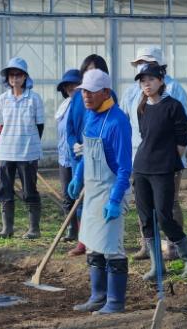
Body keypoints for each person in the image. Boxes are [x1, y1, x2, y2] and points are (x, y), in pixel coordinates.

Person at [68, 70, 132, 314]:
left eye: (91, 91)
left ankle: (115, 302)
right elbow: (88, 151)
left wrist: (115, 200)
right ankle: (98, 296)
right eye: (83, 91)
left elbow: (125, 168)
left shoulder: (117, 122)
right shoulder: (90, 116)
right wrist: (77, 176)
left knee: (112, 246)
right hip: (93, 189)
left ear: (105, 92)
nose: (85, 95)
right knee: (93, 245)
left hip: (113, 188)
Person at [120, 46, 187, 261]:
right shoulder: (133, 90)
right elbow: (126, 119)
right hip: (139, 158)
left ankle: (173, 246)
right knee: (144, 204)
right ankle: (147, 245)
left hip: (166, 161)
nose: (142, 66)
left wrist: (173, 158)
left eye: (146, 61)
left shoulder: (174, 89)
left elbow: (181, 128)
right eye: (139, 63)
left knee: (168, 203)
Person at [131, 63, 187, 279]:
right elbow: (144, 135)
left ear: (161, 81)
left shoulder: (173, 106)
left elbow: (183, 135)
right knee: (146, 219)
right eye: (143, 81)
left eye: (150, 79)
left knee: (164, 217)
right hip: (141, 168)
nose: (146, 84)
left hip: (163, 169)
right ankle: (157, 267)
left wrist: (170, 159)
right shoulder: (142, 107)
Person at [64, 54, 113, 257]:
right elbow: (70, 128)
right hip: (79, 158)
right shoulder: (77, 97)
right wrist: (74, 144)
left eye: (95, 71)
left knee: (98, 198)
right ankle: (82, 241)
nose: (90, 75)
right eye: (87, 71)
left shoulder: (109, 98)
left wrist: (91, 146)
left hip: (99, 157)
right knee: (80, 200)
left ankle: (98, 239)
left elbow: (106, 127)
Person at [0, 57, 45, 239]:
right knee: (5, 189)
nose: (14, 78)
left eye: (18, 74)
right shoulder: (2, 99)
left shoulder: (34, 99)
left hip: (28, 152)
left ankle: (33, 229)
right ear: (7, 78)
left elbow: (40, 126)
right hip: (6, 151)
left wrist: (28, 141)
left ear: (25, 77)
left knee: (29, 189)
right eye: (11, 75)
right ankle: (7, 228)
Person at [55, 69, 82, 242]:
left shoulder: (83, 105)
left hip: (79, 157)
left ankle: (83, 234)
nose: (71, 88)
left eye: (74, 84)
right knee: (67, 195)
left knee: (80, 195)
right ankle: (71, 229)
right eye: (68, 85)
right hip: (64, 157)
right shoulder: (64, 105)